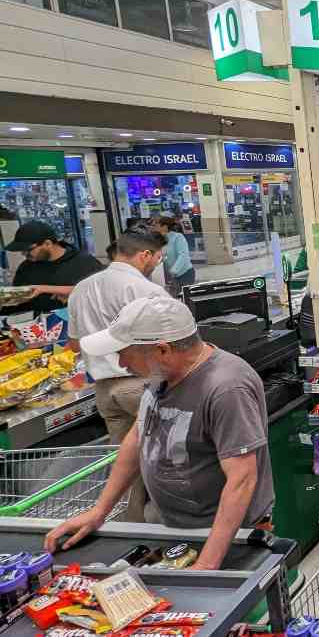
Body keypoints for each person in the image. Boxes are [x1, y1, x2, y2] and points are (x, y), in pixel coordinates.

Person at [46, 297, 275, 569]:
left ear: (162, 349)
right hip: (174, 531)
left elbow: (242, 480)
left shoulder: (226, 388)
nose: (120, 362)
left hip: (227, 538)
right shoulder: (162, 374)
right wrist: (99, 512)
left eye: (125, 351)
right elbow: (137, 437)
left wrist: (207, 566)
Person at [66, 225, 170, 522]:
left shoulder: (81, 289)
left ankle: (136, 536)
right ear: (145, 255)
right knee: (166, 461)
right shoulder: (145, 290)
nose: (157, 263)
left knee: (125, 467)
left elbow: (74, 344)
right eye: (158, 257)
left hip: (105, 392)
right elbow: (170, 341)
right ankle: (172, 532)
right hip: (141, 386)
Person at [2, 221, 104, 314]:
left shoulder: (84, 263)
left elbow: (103, 294)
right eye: (22, 250)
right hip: (34, 327)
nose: (24, 254)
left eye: (29, 249)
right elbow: (17, 303)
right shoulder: (26, 267)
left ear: (48, 244)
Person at [150, 216, 194, 296]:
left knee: (185, 298)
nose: (153, 226)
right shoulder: (158, 239)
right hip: (169, 276)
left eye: (156, 224)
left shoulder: (178, 237)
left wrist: (173, 271)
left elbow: (183, 255)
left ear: (165, 227)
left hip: (184, 274)